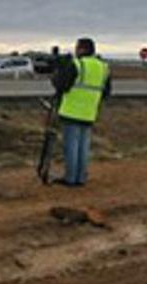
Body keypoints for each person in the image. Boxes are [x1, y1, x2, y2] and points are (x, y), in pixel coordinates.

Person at [51, 38, 112, 187]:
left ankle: (71, 179)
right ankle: (81, 178)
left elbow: (61, 85)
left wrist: (56, 73)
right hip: (89, 113)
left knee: (71, 146)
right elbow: (106, 92)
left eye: (77, 48)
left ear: (82, 49)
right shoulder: (103, 67)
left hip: (71, 112)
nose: (75, 51)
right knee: (83, 148)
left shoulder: (77, 64)